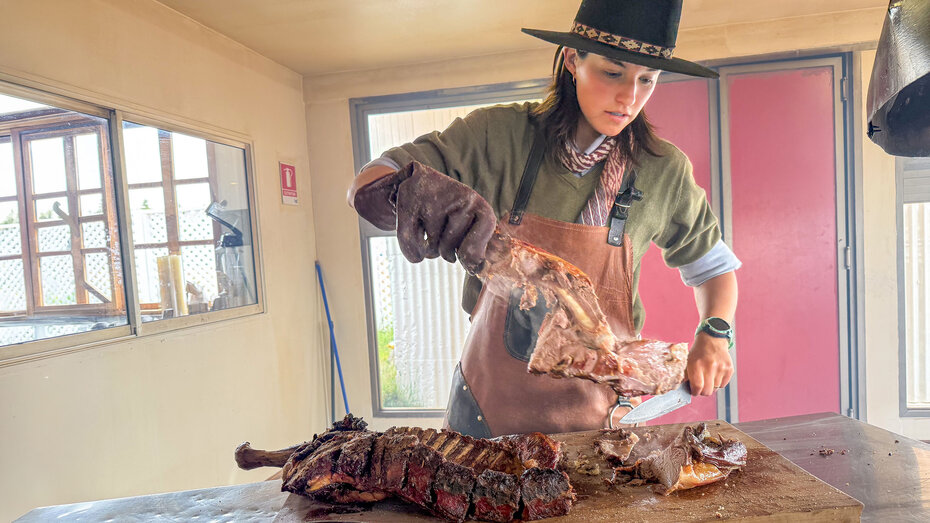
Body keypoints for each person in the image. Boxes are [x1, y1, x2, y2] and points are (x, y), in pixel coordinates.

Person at [348, 0, 739, 438]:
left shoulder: (663, 169)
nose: (630, 97)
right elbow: (370, 179)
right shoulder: (496, 136)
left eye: (646, 80)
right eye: (613, 72)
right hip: (485, 415)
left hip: (601, 422)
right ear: (573, 59)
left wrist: (716, 332)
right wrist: (418, 192)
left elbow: (714, 268)